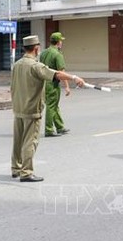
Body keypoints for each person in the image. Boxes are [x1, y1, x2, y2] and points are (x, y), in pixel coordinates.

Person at [11, 35, 85, 182]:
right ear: (37, 48)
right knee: (30, 141)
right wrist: (74, 78)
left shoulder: (17, 64)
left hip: (18, 107)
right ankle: (26, 172)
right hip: (31, 109)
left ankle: (16, 168)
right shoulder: (35, 66)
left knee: (18, 140)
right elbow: (56, 74)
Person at [40, 32, 71, 137]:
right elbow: (61, 73)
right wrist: (67, 86)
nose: (61, 43)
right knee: (51, 106)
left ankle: (60, 127)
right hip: (52, 83)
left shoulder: (44, 53)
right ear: (58, 42)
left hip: (43, 82)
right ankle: (49, 130)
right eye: (61, 41)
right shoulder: (57, 54)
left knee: (54, 105)